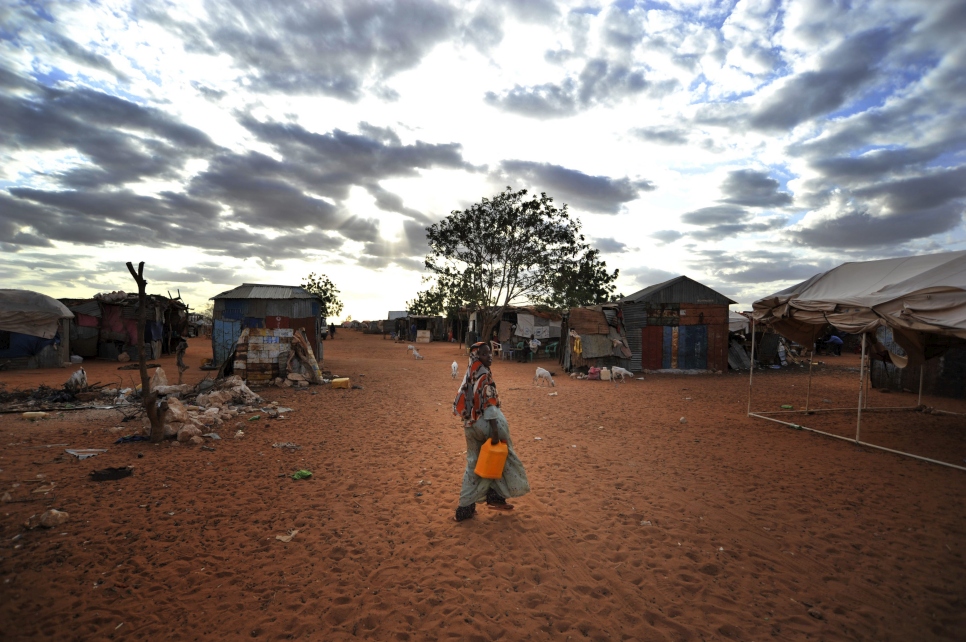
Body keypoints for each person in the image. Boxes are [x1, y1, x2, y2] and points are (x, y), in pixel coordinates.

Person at [452, 342, 530, 522]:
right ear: (476, 356)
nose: (489, 357)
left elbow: (463, 401)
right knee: (501, 459)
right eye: (485, 354)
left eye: (490, 353)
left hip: (470, 425)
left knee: (473, 466)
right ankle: (496, 496)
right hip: (488, 424)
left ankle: (465, 509)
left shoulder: (470, 374)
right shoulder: (484, 375)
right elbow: (489, 404)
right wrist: (495, 431)